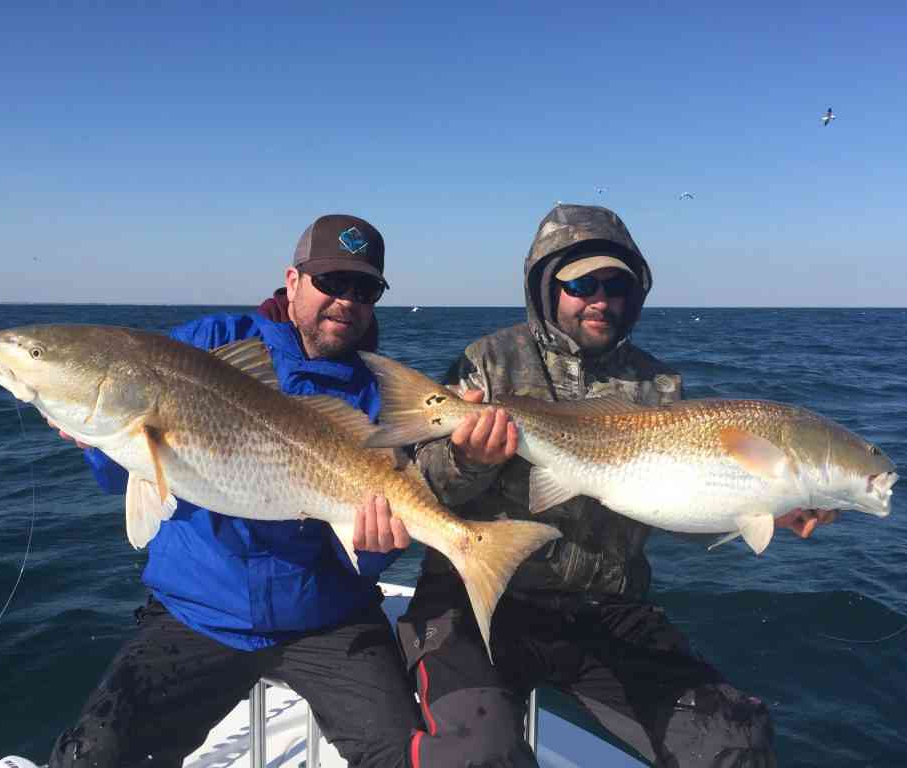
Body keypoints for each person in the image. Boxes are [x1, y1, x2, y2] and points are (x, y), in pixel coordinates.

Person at [398, 203, 838, 767]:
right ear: (546, 286)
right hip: (480, 599)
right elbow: (417, 490)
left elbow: (673, 503)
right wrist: (466, 456)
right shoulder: (487, 363)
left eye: (616, 286)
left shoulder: (658, 385)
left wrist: (759, 506)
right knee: (477, 754)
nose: (600, 300)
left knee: (736, 743)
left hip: (606, 608)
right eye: (582, 284)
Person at [45, 214, 423, 768]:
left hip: (329, 614)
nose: (346, 300)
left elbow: (376, 546)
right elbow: (121, 472)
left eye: (363, 288)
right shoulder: (205, 345)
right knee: (94, 755)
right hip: (200, 611)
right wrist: (94, 437)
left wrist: (379, 546)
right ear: (292, 281)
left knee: (405, 756)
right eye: (331, 282)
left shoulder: (384, 396)